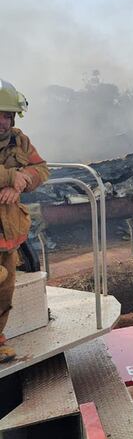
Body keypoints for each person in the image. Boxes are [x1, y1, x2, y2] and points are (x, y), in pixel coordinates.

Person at [0, 80, 49, 362]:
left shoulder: (20, 141)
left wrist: (22, 182)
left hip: (8, 234)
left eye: (7, 115)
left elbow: (41, 168)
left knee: (4, 295)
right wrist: (9, 177)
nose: (3, 122)